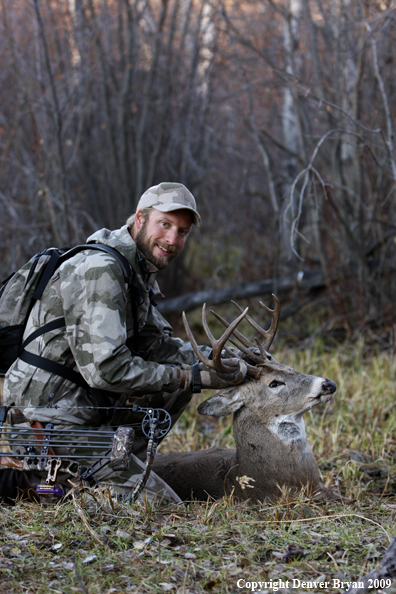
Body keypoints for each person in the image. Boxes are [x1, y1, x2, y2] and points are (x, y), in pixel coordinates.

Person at [2, 182, 247, 502]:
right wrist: (191, 376)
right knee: (161, 507)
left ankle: (111, 469)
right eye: (165, 224)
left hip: (85, 410)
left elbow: (160, 347)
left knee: (178, 384)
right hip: (47, 423)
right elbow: (106, 369)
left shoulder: (133, 270)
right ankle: (36, 481)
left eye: (183, 232)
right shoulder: (101, 270)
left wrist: (221, 358)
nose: (173, 240)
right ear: (140, 218)